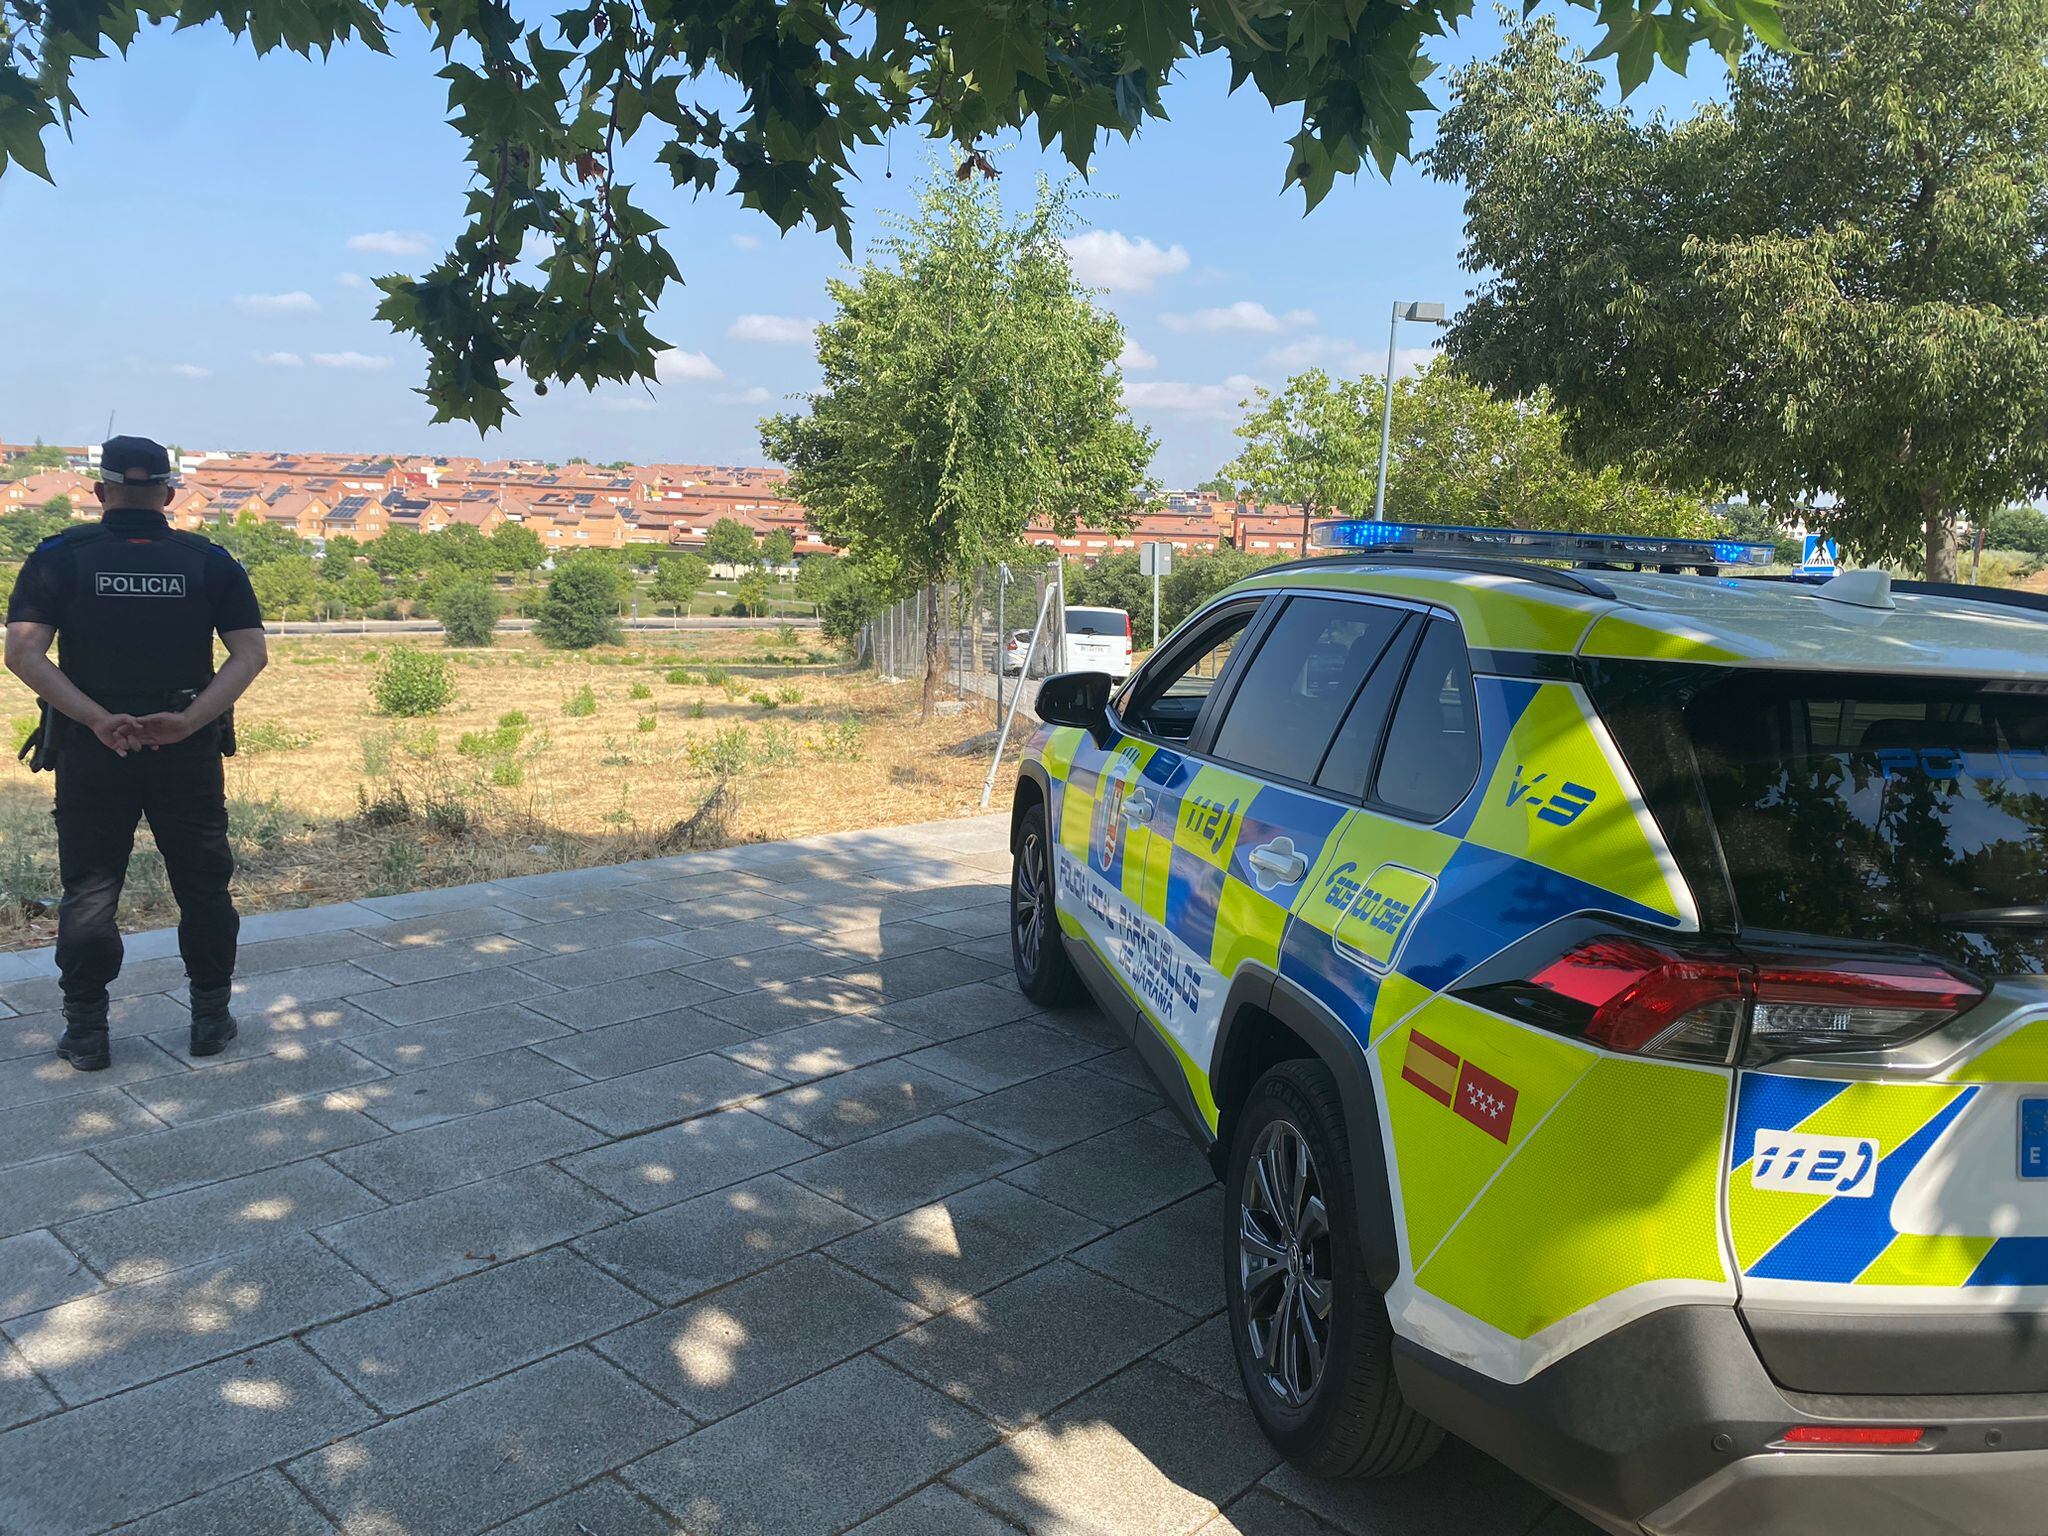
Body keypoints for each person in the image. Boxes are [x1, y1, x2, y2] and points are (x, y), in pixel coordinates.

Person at [3, 436, 267, 1071]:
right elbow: (251, 653)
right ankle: (209, 1019)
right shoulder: (207, 560)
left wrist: (95, 719)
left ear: (101, 492)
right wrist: (186, 721)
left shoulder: (58, 557)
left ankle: (88, 1032)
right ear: (170, 495)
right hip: (188, 750)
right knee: (203, 886)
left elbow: (22, 652)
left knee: (90, 890)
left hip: (94, 751)